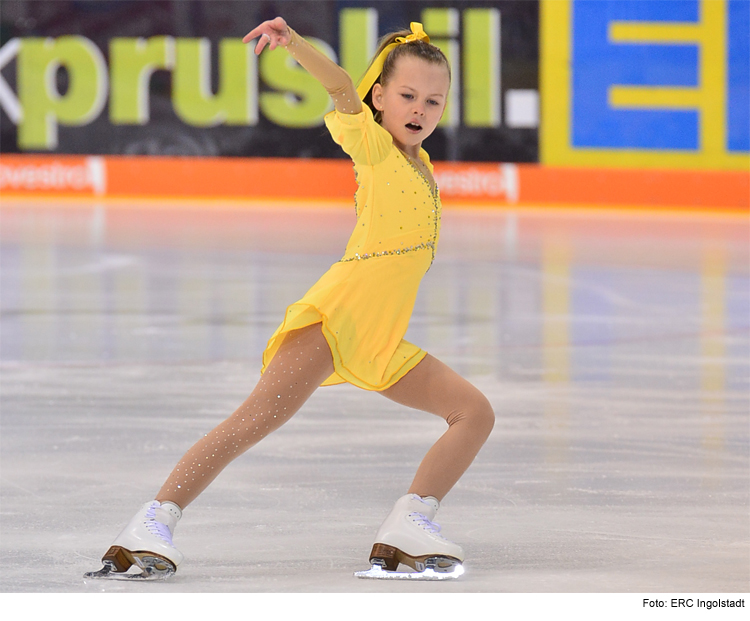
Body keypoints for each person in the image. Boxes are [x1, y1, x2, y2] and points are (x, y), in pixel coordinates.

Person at [85, 16, 495, 581]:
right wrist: (296, 44)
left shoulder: (420, 163)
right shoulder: (373, 145)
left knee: (473, 413)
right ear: (380, 96)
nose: (420, 109)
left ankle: (411, 522)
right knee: (251, 423)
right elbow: (339, 89)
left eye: (433, 100)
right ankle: (151, 524)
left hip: (379, 338)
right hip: (335, 321)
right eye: (406, 96)